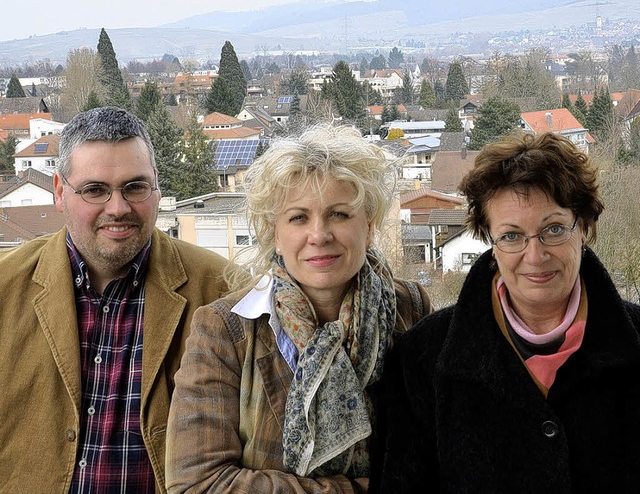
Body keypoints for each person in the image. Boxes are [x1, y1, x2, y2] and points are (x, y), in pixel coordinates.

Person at [165, 123, 432, 493]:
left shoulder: (410, 309)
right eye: (298, 217)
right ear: (275, 233)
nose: (319, 235)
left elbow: (440, 457)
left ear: (368, 227)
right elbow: (197, 483)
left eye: (339, 214)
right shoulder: (225, 330)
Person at [371, 131, 640, 493]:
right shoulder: (423, 359)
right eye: (512, 236)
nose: (535, 255)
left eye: (554, 229)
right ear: (490, 241)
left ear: (585, 228)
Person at [0, 107, 230, 493]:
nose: (118, 207)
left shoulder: (223, 292)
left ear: (157, 188)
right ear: (60, 192)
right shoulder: (6, 289)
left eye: (135, 187)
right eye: (95, 190)